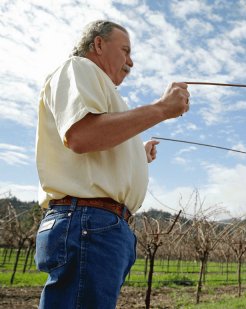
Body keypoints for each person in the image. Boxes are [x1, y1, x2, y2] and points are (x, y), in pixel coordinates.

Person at [34, 20, 190, 309]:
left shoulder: (101, 90)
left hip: (97, 225)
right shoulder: (78, 68)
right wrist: (161, 109)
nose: (131, 62)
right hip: (87, 222)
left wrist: (137, 154)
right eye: (126, 51)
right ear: (99, 44)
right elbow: (83, 134)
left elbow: (96, 143)